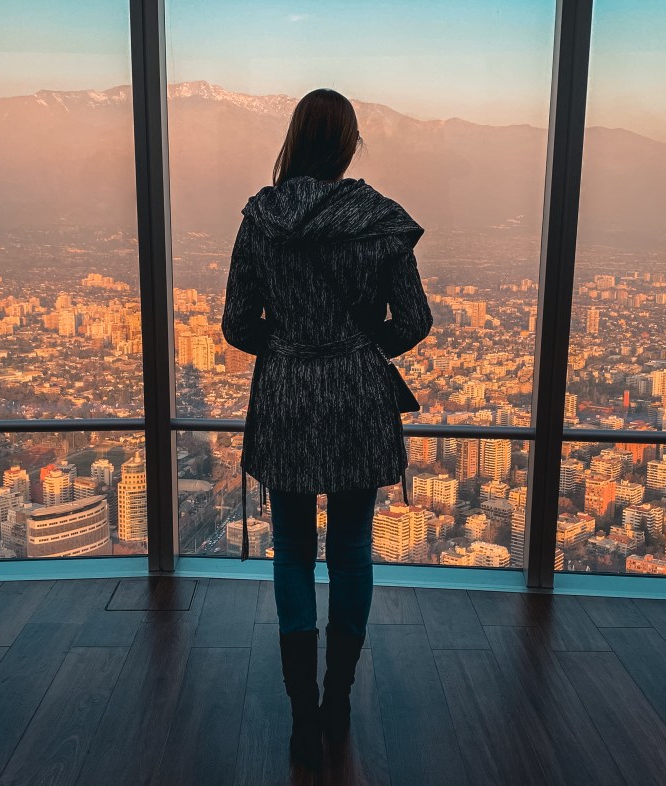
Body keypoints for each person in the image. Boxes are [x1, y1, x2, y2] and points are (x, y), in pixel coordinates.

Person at [221, 87, 433, 771]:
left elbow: (234, 324)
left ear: (293, 137)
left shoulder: (262, 219)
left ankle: (301, 717)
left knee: (290, 550)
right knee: (351, 546)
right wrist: (361, 347)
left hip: (286, 398)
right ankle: (337, 698)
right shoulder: (379, 221)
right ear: (348, 145)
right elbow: (415, 321)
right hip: (356, 398)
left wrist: (288, 346)